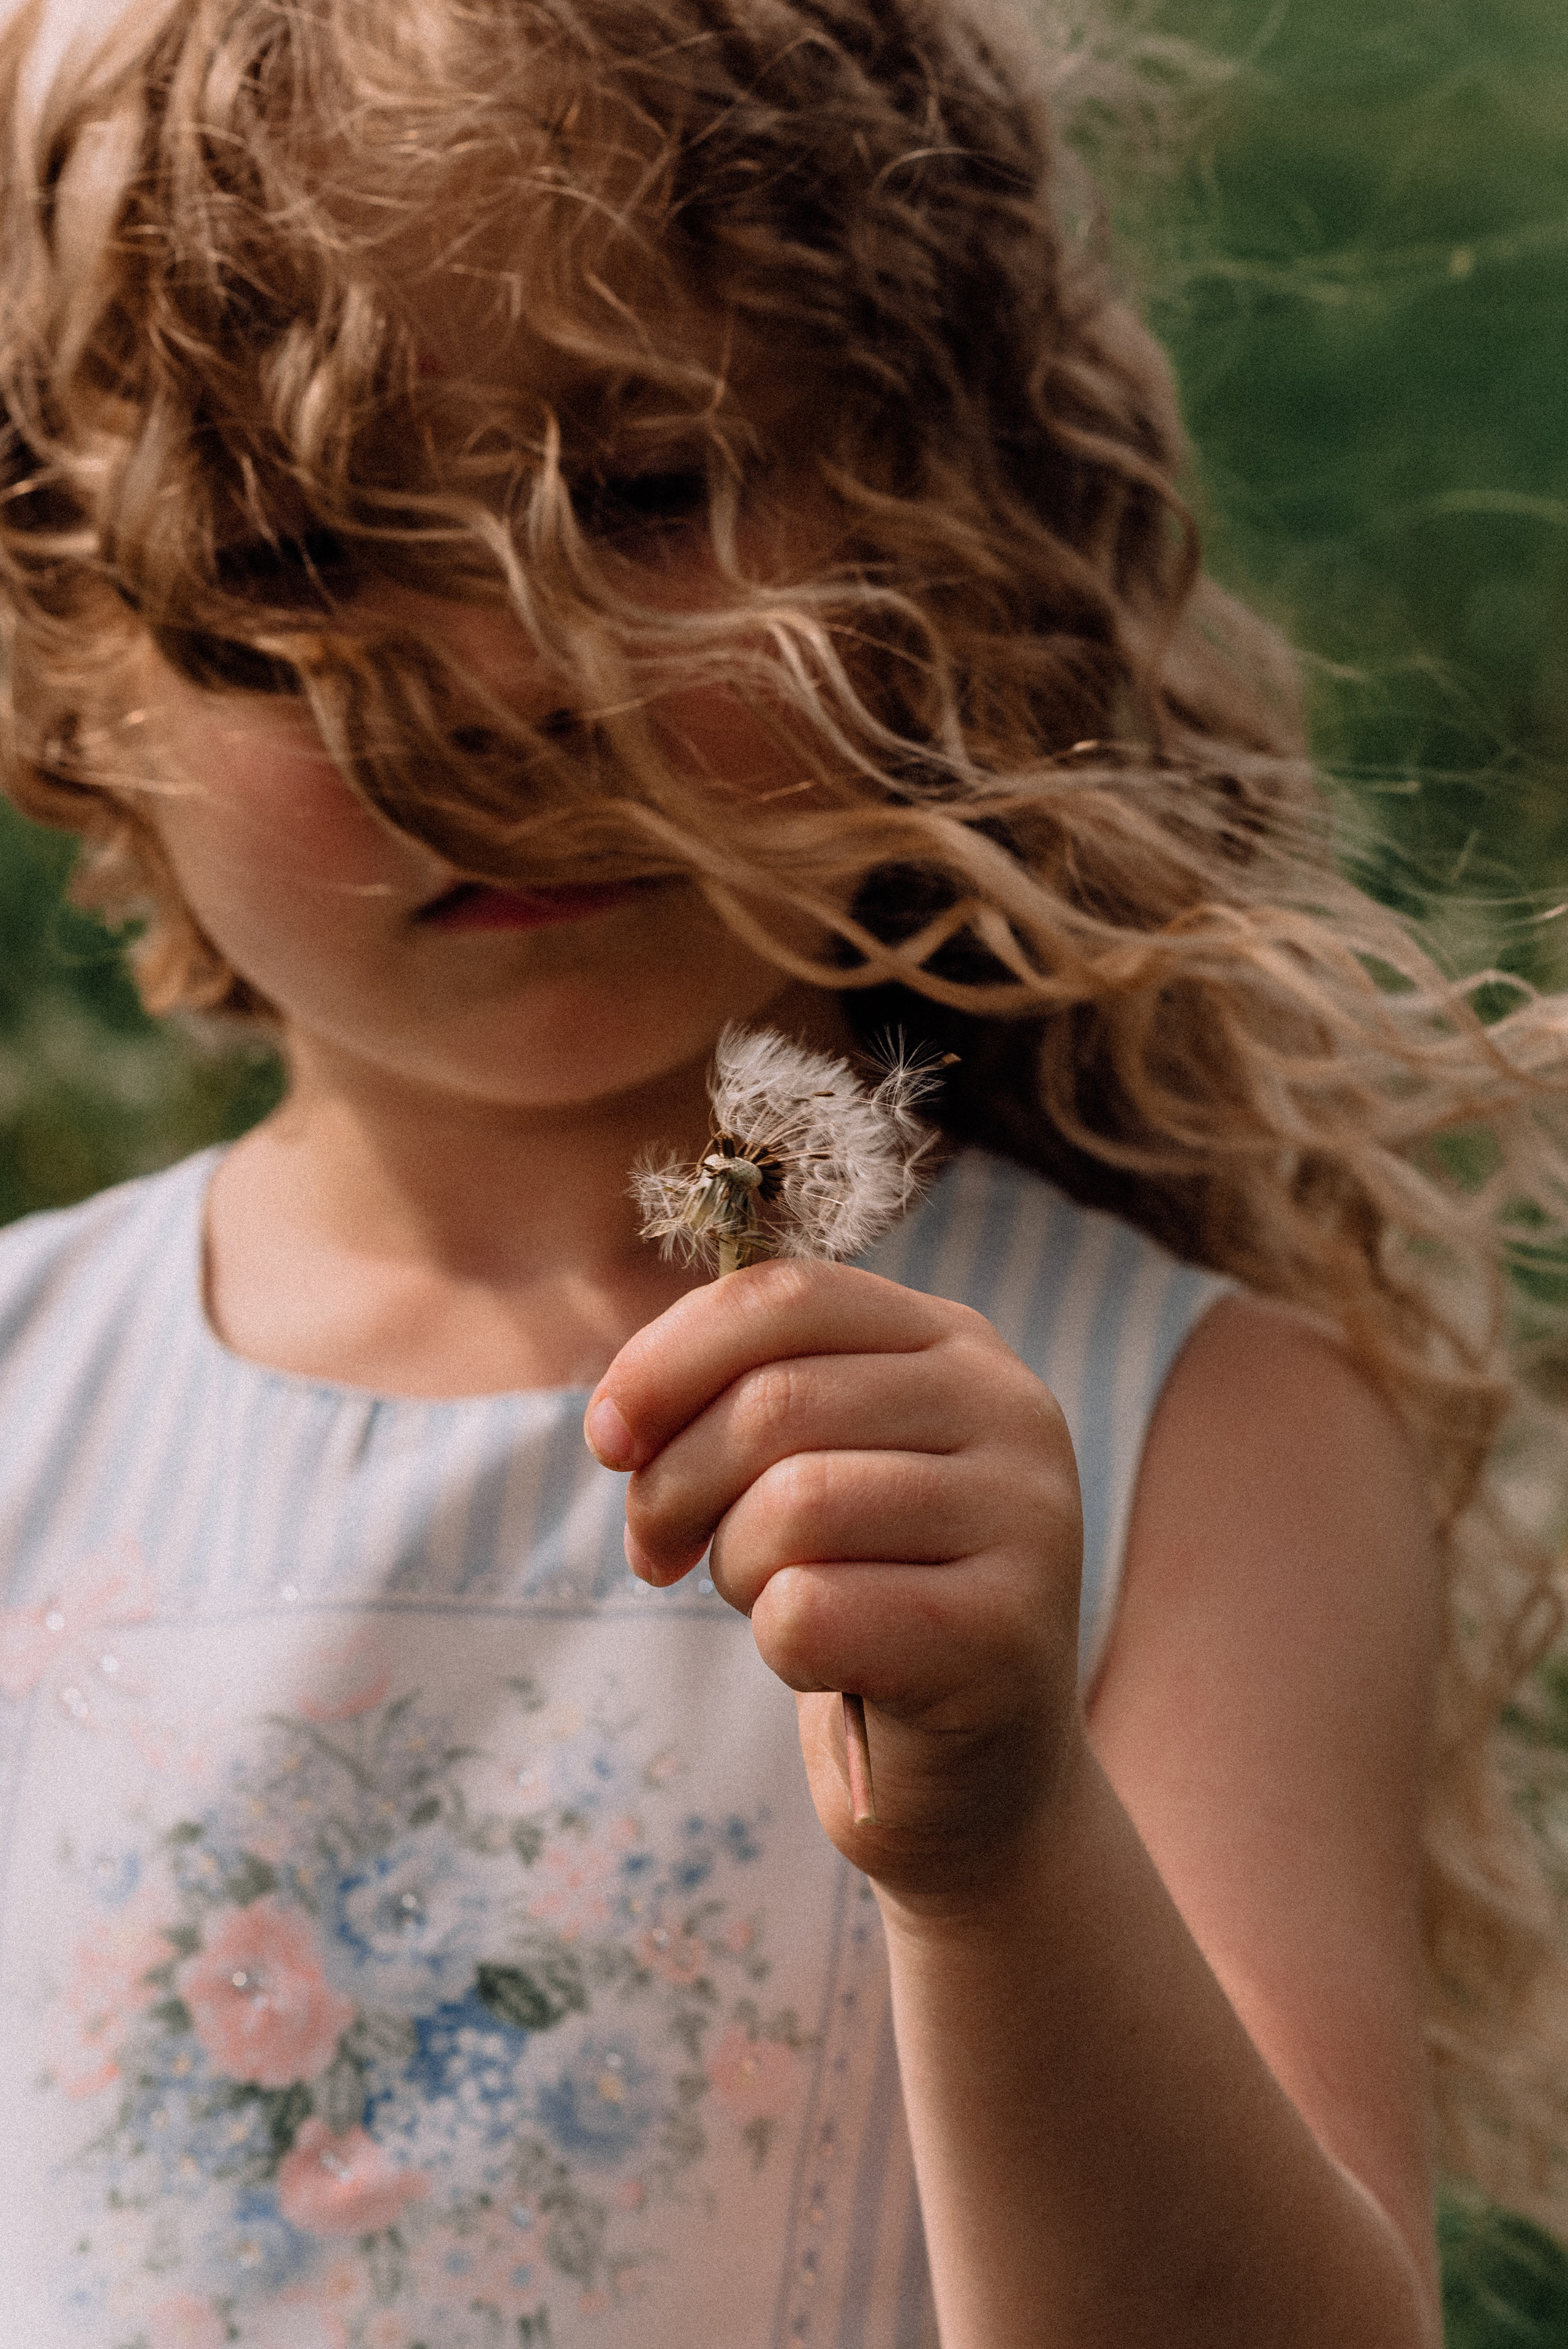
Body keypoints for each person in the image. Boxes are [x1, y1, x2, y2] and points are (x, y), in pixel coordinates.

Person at [0, 0, 1565, 2342]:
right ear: (67, 663)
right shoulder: (29, 1399)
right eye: (307, 550)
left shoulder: (1182, 1434)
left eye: (639, 494)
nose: (506, 678)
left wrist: (1003, 1841)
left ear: (940, 525)